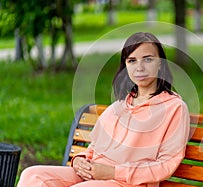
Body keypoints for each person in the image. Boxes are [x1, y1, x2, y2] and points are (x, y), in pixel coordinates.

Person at [17, 32, 190, 187]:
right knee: (33, 175)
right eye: (132, 61)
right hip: (92, 175)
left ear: (161, 63)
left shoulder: (174, 108)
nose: (140, 67)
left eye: (148, 59)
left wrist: (114, 172)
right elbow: (93, 149)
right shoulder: (118, 107)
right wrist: (79, 160)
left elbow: (166, 164)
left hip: (129, 183)